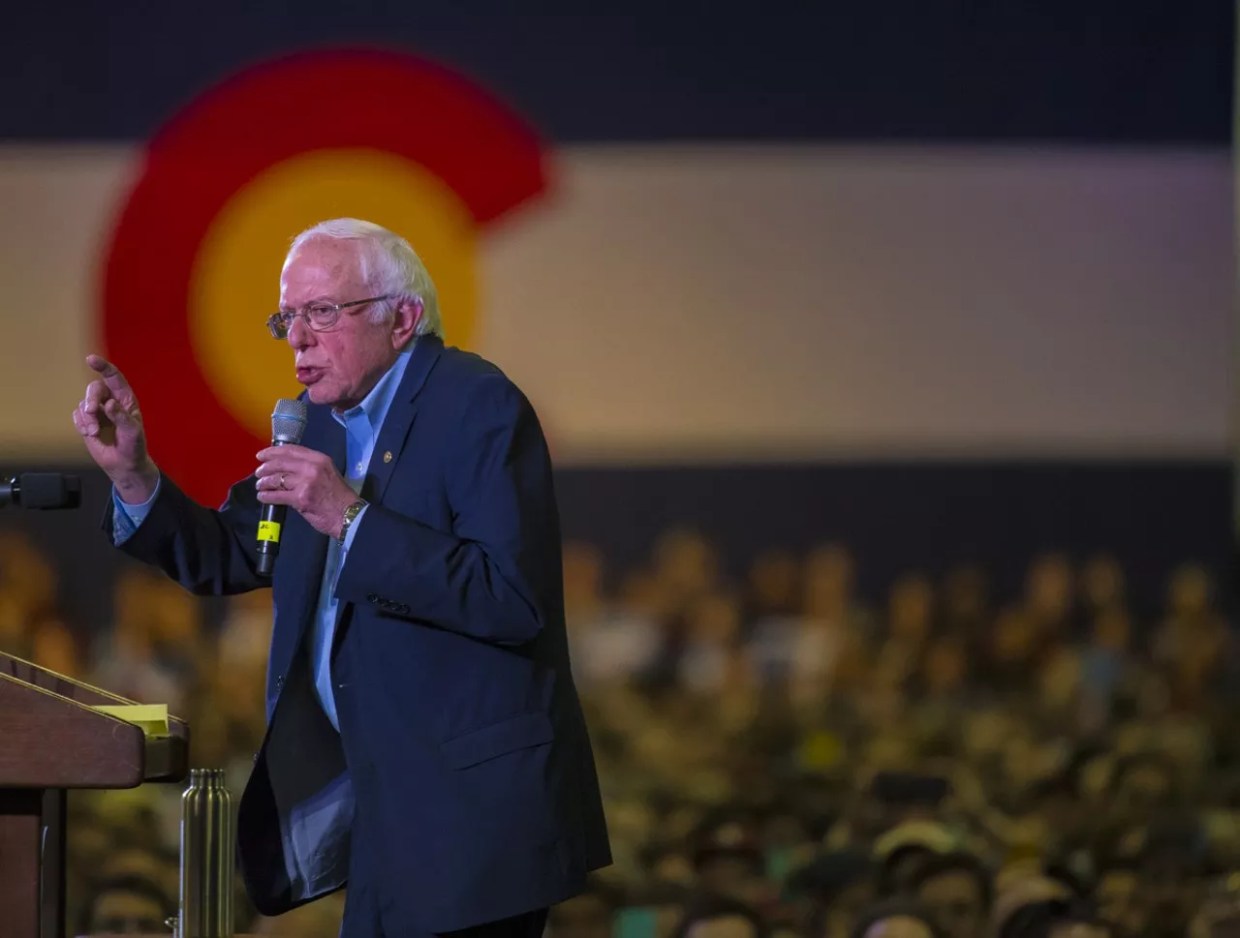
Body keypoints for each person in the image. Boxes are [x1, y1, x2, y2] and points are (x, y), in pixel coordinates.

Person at [73, 218, 611, 937]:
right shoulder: (319, 423)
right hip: (378, 806)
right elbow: (235, 551)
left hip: (471, 818)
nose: (297, 338)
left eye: (322, 312)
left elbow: (509, 598)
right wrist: (134, 475)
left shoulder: (476, 404)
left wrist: (349, 517)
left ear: (402, 319)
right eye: (287, 317)